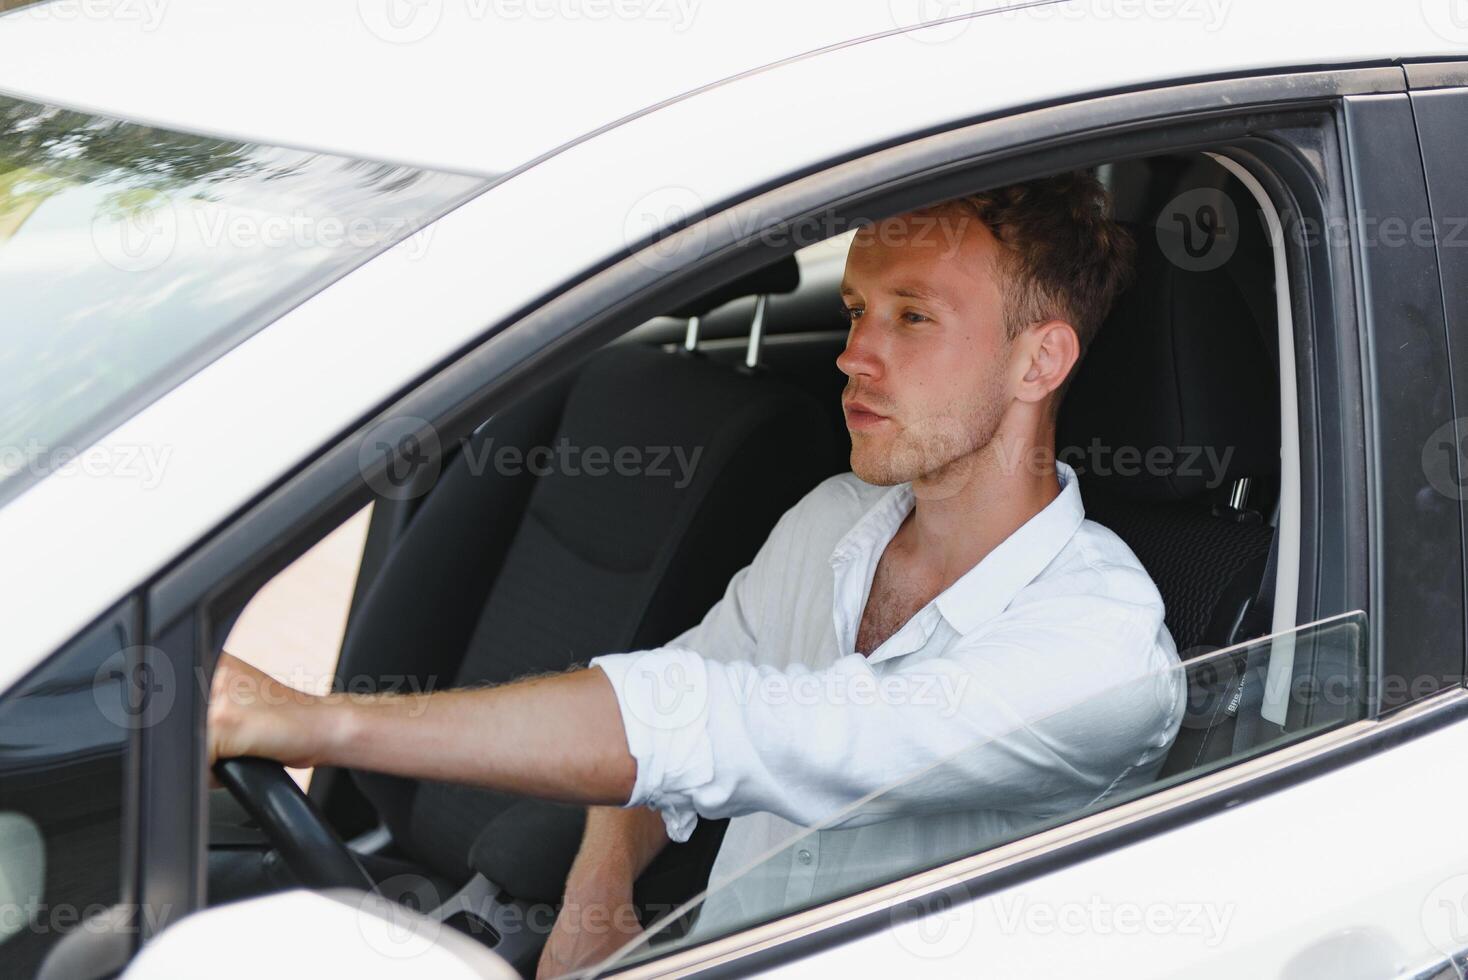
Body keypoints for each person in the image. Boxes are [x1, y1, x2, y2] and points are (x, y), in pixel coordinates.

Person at [208, 170, 1185, 978]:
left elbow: (720, 723)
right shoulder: (832, 522)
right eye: (854, 310)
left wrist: (315, 721)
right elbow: (679, 711)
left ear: (1037, 360)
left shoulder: (1099, 652)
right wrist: (597, 895)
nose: (853, 353)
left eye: (912, 316)